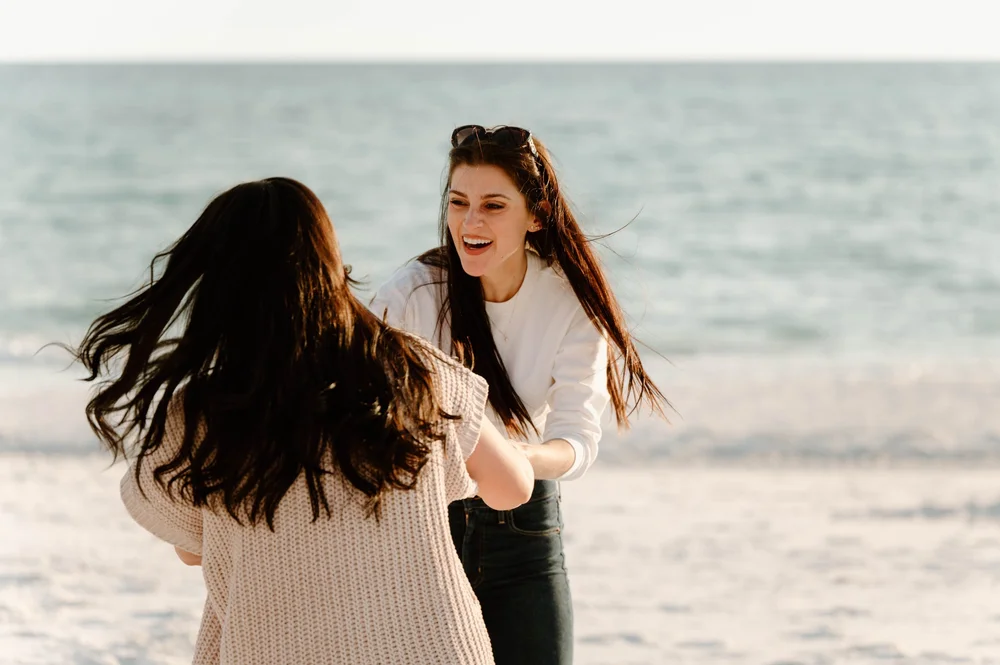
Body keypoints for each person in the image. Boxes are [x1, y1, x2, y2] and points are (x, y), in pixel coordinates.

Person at [70, 177, 535, 665]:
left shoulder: (201, 412)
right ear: (328, 262)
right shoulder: (412, 369)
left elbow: (191, 549)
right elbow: (513, 488)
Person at [370, 125, 669, 665]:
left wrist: (508, 459)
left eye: (493, 205)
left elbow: (576, 443)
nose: (470, 222)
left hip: (526, 530)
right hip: (424, 534)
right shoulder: (412, 295)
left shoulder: (570, 302)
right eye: (458, 203)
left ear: (536, 215)